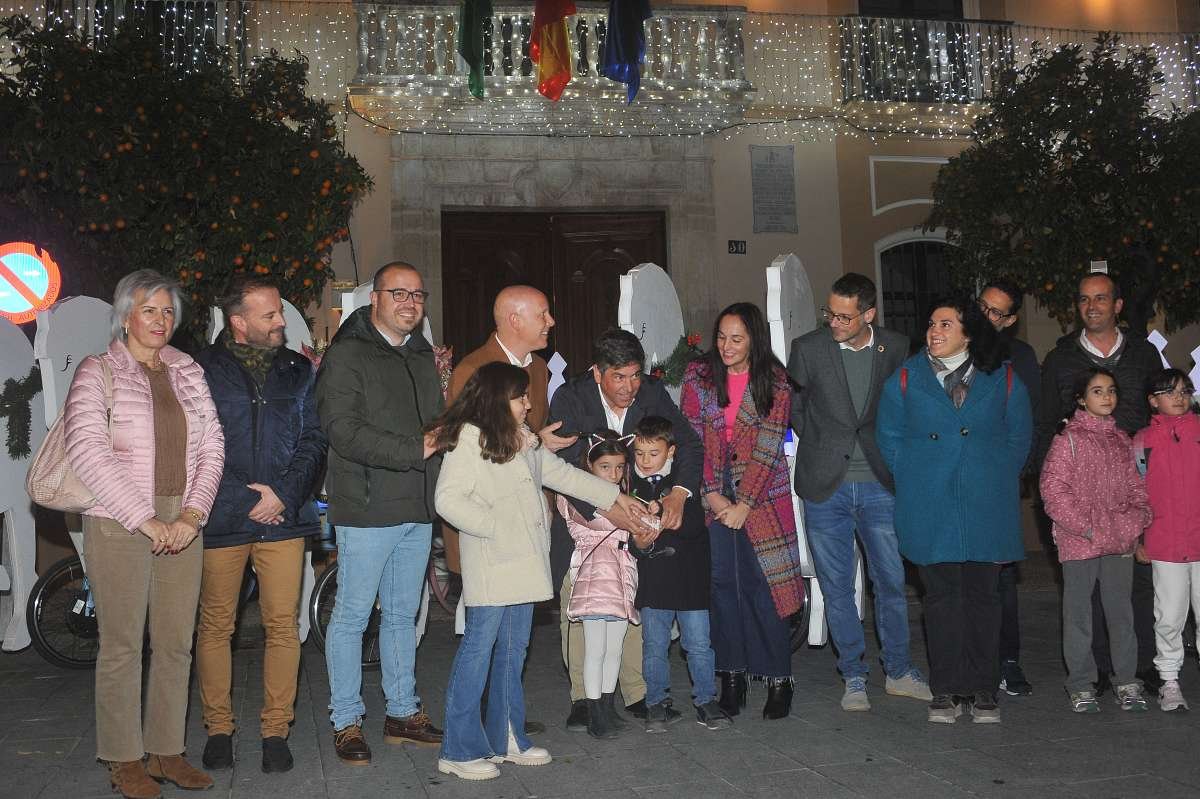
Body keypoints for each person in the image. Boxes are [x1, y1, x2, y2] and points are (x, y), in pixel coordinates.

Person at [431, 363, 649, 780]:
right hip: (494, 565)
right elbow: (448, 500)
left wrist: (617, 500)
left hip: (524, 566)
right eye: (521, 397)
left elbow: (563, 475)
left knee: (514, 654)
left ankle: (507, 737)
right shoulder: (469, 440)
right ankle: (457, 748)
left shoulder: (522, 440)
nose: (529, 404)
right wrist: (495, 526)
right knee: (477, 654)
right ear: (497, 399)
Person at [64, 269, 224, 799]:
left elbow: (212, 447)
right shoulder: (97, 370)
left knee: (177, 643)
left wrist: (191, 516)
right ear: (126, 314)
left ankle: (165, 750)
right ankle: (123, 756)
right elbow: (88, 451)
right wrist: (146, 519)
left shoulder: (189, 371)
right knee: (122, 645)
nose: (160, 320)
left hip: (184, 519)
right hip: (116, 519)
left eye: (168, 311)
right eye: (149, 309)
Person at [194, 275, 327, 773]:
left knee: (282, 626)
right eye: (269, 314)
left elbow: (314, 440)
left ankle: (276, 730)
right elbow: (195, 445)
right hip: (222, 515)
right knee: (216, 625)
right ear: (239, 322)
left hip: (284, 517)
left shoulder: (298, 369)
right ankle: (219, 730)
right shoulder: (202, 369)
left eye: (280, 313)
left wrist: (284, 495)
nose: (280, 321)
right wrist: (239, 497)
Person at [876, 297, 1031, 724]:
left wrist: (993, 475)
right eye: (931, 323)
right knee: (941, 598)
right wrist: (912, 476)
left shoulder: (1003, 378)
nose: (934, 331)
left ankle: (983, 689)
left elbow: (1019, 438)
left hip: (986, 505)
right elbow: (888, 437)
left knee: (983, 597)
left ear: (969, 332)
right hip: (929, 504)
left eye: (946, 323)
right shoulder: (906, 378)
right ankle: (945, 689)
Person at [315, 262, 445, 765]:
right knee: (351, 617)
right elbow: (341, 431)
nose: (410, 302)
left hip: (416, 504)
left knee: (400, 616)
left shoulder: (420, 354)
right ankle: (346, 720)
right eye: (399, 293)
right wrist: (417, 448)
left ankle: (402, 713)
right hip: (367, 505)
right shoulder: (347, 355)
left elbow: (434, 424)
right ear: (375, 299)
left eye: (417, 294)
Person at [787, 273, 930, 712]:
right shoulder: (808, 349)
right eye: (830, 313)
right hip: (825, 485)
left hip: (880, 485)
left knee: (890, 582)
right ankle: (853, 675)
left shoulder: (897, 347)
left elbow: (907, 407)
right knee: (835, 586)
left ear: (869, 314)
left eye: (845, 316)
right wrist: (822, 445)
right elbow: (795, 406)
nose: (834, 322)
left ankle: (900, 671)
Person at [548, 328, 701, 728]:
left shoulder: (650, 392)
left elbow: (689, 444)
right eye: (619, 377)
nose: (629, 387)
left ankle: (634, 692)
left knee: (630, 599)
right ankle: (584, 698)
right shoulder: (571, 397)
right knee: (580, 606)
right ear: (598, 373)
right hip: (585, 519)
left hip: (636, 523)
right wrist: (609, 509)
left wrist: (678, 494)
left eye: (635, 375)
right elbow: (559, 469)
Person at [680, 303, 806, 720]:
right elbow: (692, 440)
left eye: (736, 339)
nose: (726, 346)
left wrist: (744, 504)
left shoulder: (776, 381)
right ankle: (730, 675)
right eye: (721, 338)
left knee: (763, 585)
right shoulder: (698, 378)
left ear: (754, 339)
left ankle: (778, 678)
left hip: (763, 497)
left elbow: (770, 447)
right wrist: (713, 497)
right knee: (721, 585)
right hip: (713, 493)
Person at [1038, 273, 1162, 693]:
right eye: (1085, 299)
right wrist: (1048, 486)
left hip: (1133, 482)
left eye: (1102, 298)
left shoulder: (1143, 355)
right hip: (1079, 492)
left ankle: (1137, 668)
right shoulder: (1060, 359)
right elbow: (1046, 421)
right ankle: (1095, 673)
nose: (1093, 306)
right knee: (1084, 596)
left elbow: (1160, 410)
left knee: (1132, 589)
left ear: (1118, 305)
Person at [442, 285, 578, 575]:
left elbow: (535, 433)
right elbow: (465, 448)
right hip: (488, 518)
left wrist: (546, 502)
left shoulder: (539, 367)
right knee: (482, 611)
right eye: (542, 314)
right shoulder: (474, 370)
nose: (551, 322)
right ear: (515, 320)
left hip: (528, 512)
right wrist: (534, 441)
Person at [1040, 368, 1151, 713]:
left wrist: (1134, 522)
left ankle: (1127, 679)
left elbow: (1137, 489)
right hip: (1080, 541)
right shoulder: (1068, 438)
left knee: (1121, 613)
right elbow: (1053, 491)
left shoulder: (1121, 439)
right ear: (1081, 399)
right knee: (1079, 615)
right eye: (1098, 391)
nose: (1107, 398)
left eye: (1111, 391)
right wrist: (1088, 527)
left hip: (1118, 541)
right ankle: (1080, 682)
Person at [628, 416, 730, 732]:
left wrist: (664, 512)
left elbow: (694, 525)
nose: (645, 461)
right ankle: (656, 702)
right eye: (640, 453)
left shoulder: (683, 485)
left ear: (671, 451)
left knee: (699, 644)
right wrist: (641, 544)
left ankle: (706, 700)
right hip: (655, 581)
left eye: (653, 453)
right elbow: (632, 543)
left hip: (690, 580)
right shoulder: (629, 486)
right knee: (654, 646)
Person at [557, 430, 642, 739]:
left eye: (620, 467)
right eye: (605, 466)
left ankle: (607, 706)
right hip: (593, 579)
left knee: (614, 649)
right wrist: (641, 515)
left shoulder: (626, 499)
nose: (614, 474)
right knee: (594, 650)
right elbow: (609, 521)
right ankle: (594, 713)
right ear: (589, 466)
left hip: (620, 579)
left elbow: (642, 529)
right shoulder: (576, 497)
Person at [978, 278, 1040, 697]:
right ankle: (970, 662)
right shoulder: (946, 346)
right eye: (982, 307)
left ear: (1011, 319)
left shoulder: (1020, 358)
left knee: (1001, 578)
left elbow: (1027, 426)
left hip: (998, 484)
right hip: (954, 485)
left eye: (997, 312)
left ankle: (1007, 660)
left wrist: (1010, 475)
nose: (987, 317)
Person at [1133, 369, 1200, 712]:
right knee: (1169, 615)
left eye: (1184, 391)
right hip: (1165, 542)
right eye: (1169, 391)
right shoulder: (1142, 441)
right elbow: (1135, 492)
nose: (1179, 397)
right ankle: (1169, 682)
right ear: (1152, 400)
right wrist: (1138, 537)